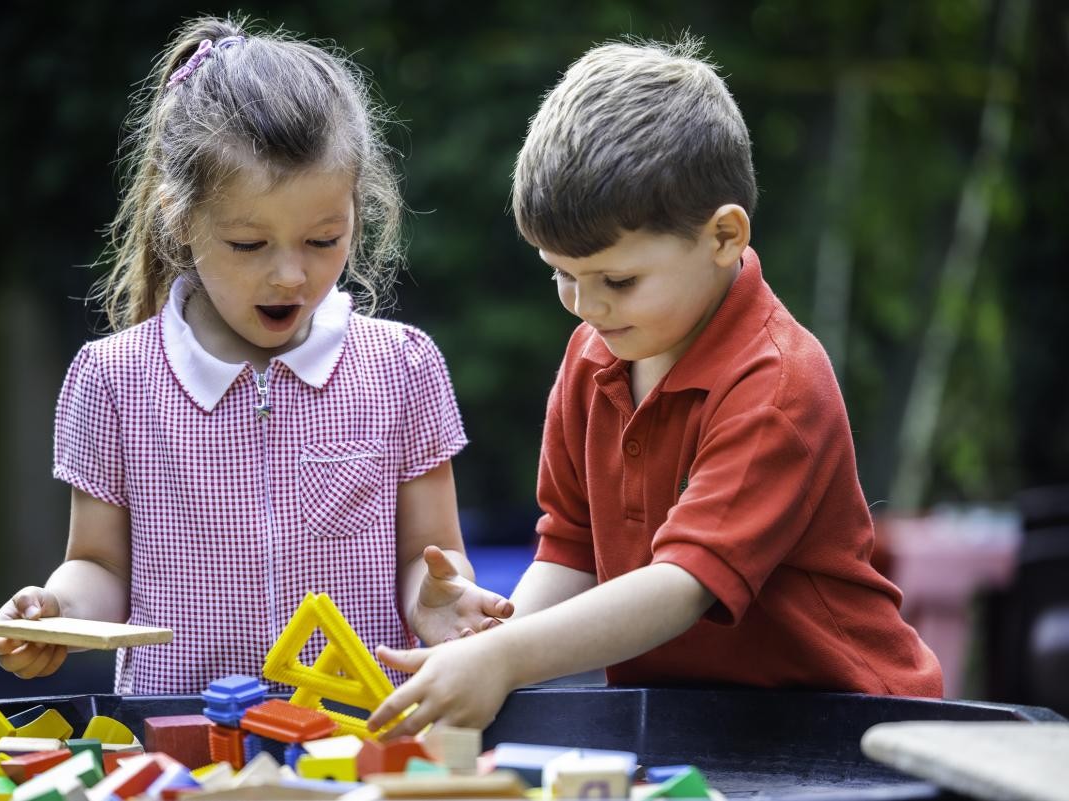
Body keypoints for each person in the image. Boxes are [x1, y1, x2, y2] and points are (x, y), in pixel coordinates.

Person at [367, 38, 943, 737]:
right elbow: (572, 548)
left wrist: (506, 658)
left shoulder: (777, 383)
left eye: (617, 280)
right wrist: (487, 644)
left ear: (724, 236)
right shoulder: (593, 355)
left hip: (847, 729)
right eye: (561, 273)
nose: (584, 304)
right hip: (688, 725)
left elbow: (681, 585)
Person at [0, 16, 512, 694]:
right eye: (248, 244)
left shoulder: (402, 367)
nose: (290, 276)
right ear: (180, 218)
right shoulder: (113, 381)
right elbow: (100, 569)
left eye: (323, 239)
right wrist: (55, 612)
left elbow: (427, 559)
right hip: (177, 751)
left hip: (354, 744)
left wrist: (439, 598)